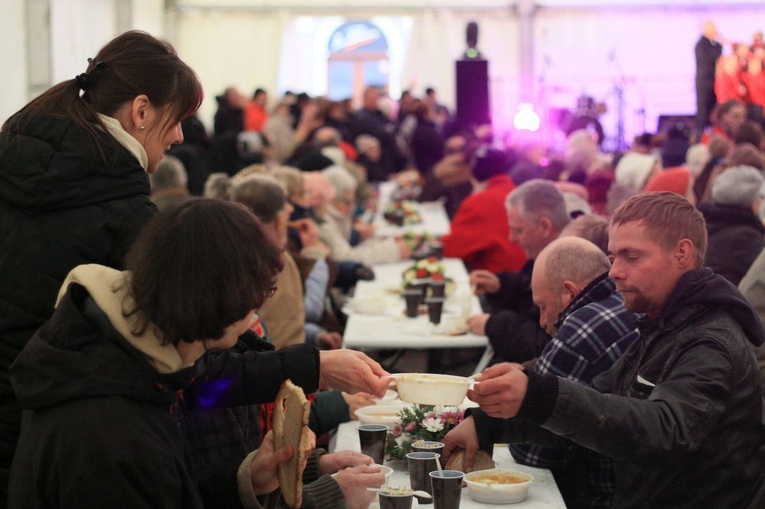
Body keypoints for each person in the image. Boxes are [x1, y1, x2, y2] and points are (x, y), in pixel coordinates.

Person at [8, 198, 341, 508]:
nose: (256, 315)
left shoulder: (125, 365)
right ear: (225, 298)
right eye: (254, 299)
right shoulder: (114, 434)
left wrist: (245, 481)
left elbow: (169, 490)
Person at [444, 192, 765, 508]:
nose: (614, 272)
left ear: (682, 253)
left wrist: (536, 395)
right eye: (613, 258)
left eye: (632, 257)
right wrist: (494, 422)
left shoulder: (710, 341)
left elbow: (666, 430)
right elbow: (596, 401)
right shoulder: (661, 324)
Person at [0, 30, 203, 500]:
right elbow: (171, 349)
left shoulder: (16, 157)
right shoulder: (122, 208)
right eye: (177, 120)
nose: (179, 136)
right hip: (53, 425)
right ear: (141, 111)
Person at [512, 236, 640, 508]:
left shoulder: (580, 330)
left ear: (569, 293)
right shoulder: (628, 304)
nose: (543, 321)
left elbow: (534, 456)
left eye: (543, 306)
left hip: (597, 498)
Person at [466, 179, 569, 364]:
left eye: (518, 230)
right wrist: (500, 286)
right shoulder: (547, 255)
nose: (512, 238)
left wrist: (493, 325)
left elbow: (544, 347)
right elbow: (527, 291)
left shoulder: (569, 266)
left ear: (545, 226)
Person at [441, 147, 527, 274]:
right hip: (524, 281)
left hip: (494, 283)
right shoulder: (521, 195)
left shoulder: (478, 202)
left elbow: (451, 249)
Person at [698, 165, 765, 286]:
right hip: (731, 301)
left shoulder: (708, 222)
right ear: (749, 199)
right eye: (760, 197)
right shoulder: (745, 237)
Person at [695, 20, 723, 136]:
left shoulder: (708, 45)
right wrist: (719, 44)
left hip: (710, 83)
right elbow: (712, 58)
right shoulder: (701, 45)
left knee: (711, 112)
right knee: (703, 112)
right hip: (704, 84)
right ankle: (700, 137)